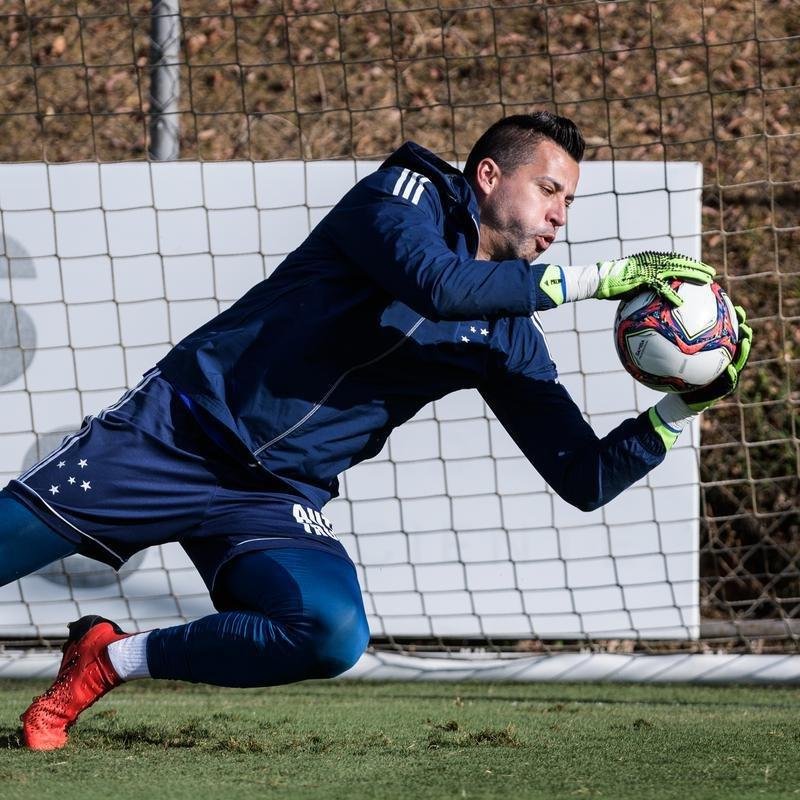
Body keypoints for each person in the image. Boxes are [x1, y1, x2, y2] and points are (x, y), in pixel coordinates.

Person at [1, 112, 751, 750]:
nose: (561, 217)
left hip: (273, 496)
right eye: (549, 191)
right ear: (489, 176)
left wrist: (683, 407)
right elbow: (439, 286)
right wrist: (600, 279)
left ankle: (107, 660)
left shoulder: (508, 334)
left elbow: (582, 477)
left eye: (569, 202)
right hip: (176, 433)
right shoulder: (405, 192)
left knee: (329, 632)